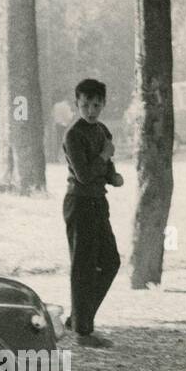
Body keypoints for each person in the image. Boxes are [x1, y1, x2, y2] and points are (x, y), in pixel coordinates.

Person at [62, 78, 123, 348]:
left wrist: (114, 176)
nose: (90, 110)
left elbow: (106, 170)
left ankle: (78, 318)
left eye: (95, 105)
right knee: (83, 267)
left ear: (103, 104)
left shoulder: (102, 130)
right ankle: (83, 332)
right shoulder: (73, 134)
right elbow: (84, 175)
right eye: (85, 105)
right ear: (77, 103)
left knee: (111, 262)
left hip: (99, 202)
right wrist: (104, 158)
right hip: (80, 202)